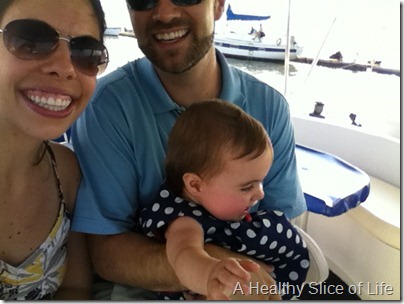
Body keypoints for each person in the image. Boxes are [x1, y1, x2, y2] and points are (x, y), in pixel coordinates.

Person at [71, 0, 306, 300]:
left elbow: (281, 223)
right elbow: (106, 251)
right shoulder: (108, 108)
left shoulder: (271, 107)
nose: (165, 13)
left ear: (219, 5)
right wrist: (210, 267)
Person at [138, 100, 309, 300]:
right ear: (195, 185)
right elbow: (184, 256)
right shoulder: (184, 221)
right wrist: (211, 274)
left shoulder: (212, 203)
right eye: (247, 187)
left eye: (261, 182)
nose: (260, 194)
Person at [0, 0, 108, 300]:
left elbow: (75, 289)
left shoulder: (67, 172)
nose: (64, 68)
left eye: (87, 52)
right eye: (30, 40)